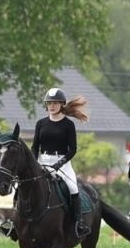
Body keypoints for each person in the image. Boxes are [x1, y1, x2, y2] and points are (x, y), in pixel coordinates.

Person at [33, 87, 89, 234]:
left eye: (55, 103)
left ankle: (78, 223)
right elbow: (34, 147)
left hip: (62, 163)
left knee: (72, 187)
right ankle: (15, 223)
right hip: (42, 161)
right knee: (24, 184)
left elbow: (73, 150)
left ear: (62, 104)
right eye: (49, 103)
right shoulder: (41, 123)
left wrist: (59, 164)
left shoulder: (68, 125)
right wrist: (33, 164)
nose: (52, 106)